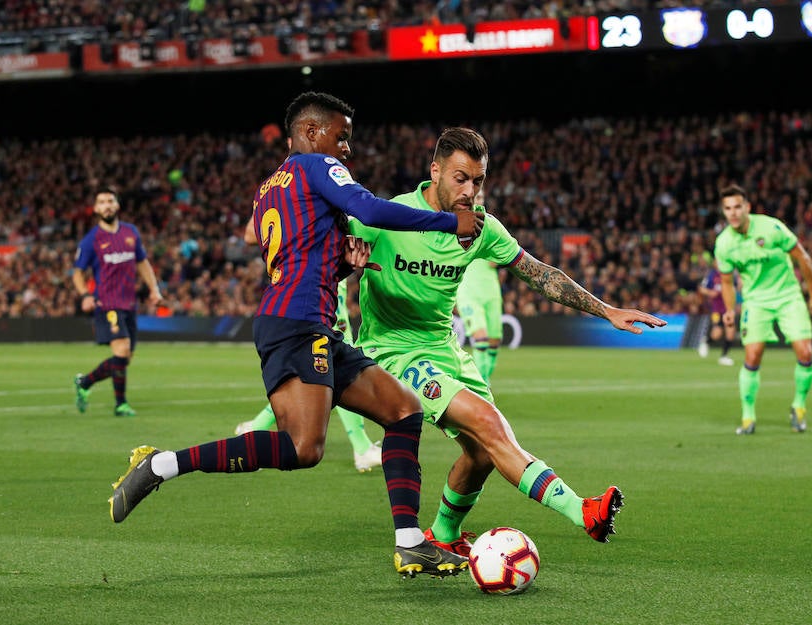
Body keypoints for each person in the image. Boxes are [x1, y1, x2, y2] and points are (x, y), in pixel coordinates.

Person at [108, 92, 484, 578]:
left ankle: (411, 543)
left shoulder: (269, 188)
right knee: (303, 448)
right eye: (341, 137)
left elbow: (303, 260)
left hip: (305, 320)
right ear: (310, 133)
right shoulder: (314, 168)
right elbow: (367, 209)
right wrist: (448, 221)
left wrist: (347, 269)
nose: (347, 149)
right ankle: (160, 465)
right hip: (297, 323)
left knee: (404, 409)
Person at [350, 127, 666, 556]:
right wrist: (346, 260)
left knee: (481, 453)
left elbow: (540, 273)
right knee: (490, 425)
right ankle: (583, 511)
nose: (470, 191)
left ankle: (444, 534)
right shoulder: (388, 215)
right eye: (460, 178)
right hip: (393, 350)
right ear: (435, 171)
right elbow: (334, 250)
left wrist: (607, 310)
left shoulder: (481, 228)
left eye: (478, 181)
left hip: (444, 348)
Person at [235, 280, 383, 473]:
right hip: (315, 304)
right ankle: (362, 448)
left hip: (323, 298)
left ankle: (255, 428)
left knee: (325, 380)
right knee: (340, 375)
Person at [713, 184, 812, 435]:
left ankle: (798, 407)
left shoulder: (771, 227)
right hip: (755, 301)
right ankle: (748, 417)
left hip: (788, 296)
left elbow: (803, 258)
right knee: (752, 356)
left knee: (805, 353)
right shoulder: (724, 244)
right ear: (724, 212)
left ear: (747, 208)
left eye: (737, 207)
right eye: (727, 208)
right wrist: (730, 309)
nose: (732, 213)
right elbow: (727, 281)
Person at [71, 187, 163, 417]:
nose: (107, 205)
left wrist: (154, 288)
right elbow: (77, 273)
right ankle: (120, 404)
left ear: (117, 205)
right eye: (102, 202)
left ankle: (85, 382)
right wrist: (85, 295)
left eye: (110, 200)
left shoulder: (131, 232)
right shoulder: (91, 239)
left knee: (124, 358)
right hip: (106, 302)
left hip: (129, 303)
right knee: (121, 351)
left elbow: (142, 263)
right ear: (95, 209)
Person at [455, 258, 503, 383]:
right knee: (481, 338)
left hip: (491, 291)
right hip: (468, 292)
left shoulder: (491, 239)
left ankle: (484, 378)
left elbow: (497, 261)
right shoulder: (457, 239)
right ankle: (482, 383)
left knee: (494, 341)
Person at [697, 263, 738, 366]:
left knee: (731, 332)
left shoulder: (731, 275)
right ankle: (706, 341)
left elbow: (736, 288)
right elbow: (701, 288)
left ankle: (724, 356)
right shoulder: (712, 275)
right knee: (717, 334)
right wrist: (710, 293)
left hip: (728, 309)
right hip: (717, 310)